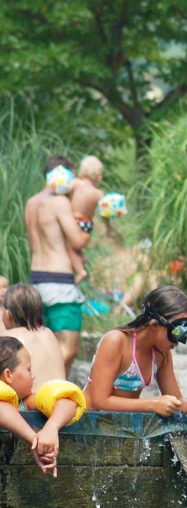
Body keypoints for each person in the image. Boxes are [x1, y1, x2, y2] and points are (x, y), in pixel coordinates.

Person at [85, 286, 187, 425]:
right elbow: (99, 401)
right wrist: (152, 404)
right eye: (176, 333)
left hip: (121, 425)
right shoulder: (116, 341)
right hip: (88, 423)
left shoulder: (161, 352)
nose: (179, 342)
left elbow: (176, 399)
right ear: (154, 324)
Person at [25, 155, 92, 372]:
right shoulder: (59, 202)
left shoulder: (31, 202)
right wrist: (88, 221)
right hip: (59, 282)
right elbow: (78, 240)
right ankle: (43, 385)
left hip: (36, 280)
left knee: (43, 345)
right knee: (69, 347)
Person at [0, 336, 85, 477]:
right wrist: (34, 439)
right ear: (8, 375)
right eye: (29, 370)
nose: (33, 376)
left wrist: (51, 427)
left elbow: (69, 401)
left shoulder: (25, 402)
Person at [0, 285, 66, 409]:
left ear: (8, 314)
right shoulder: (48, 333)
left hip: (31, 407)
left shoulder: (8, 338)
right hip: (60, 402)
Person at [66, 156, 108, 284]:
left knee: (68, 246)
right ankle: (82, 258)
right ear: (99, 177)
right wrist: (108, 227)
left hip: (75, 221)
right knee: (77, 247)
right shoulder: (98, 193)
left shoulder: (75, 183)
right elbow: (104, 213)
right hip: (88, 225)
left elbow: (63, 191)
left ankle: (80, 271)